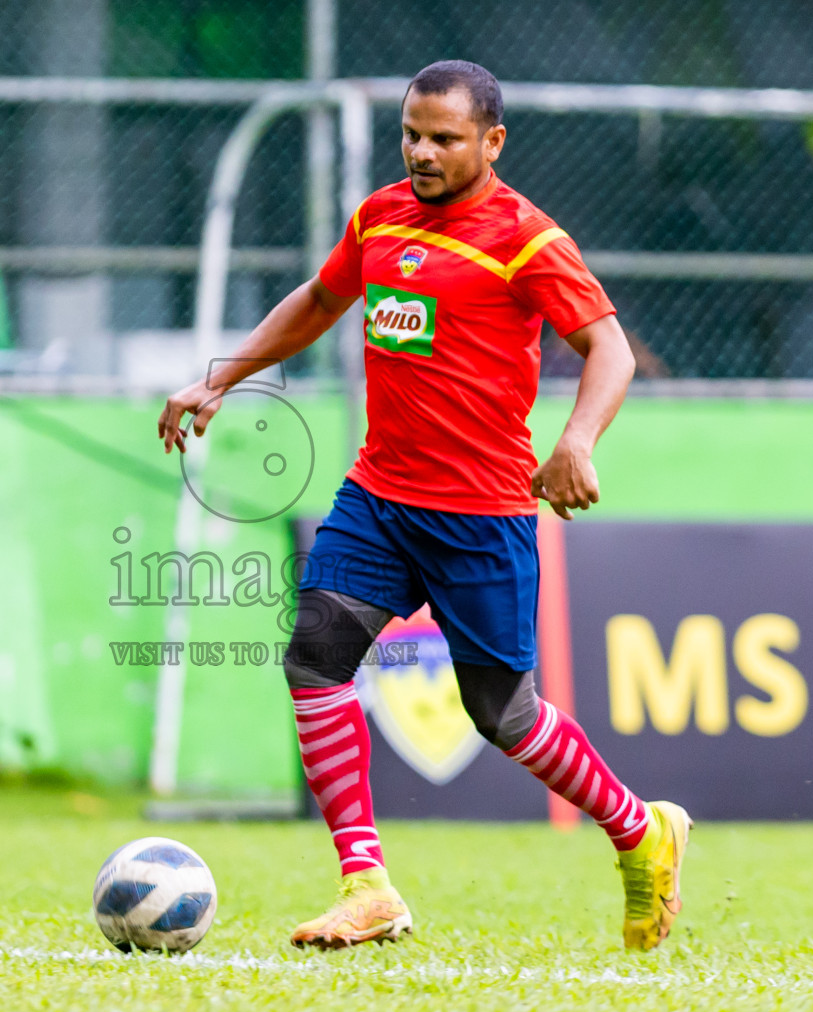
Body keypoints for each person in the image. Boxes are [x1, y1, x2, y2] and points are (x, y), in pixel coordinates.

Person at [159, 60, 691, 951]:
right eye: (412, 133)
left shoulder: (527, 237)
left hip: (480, 513)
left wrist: (577, 442)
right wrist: (223, 377)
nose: (423, 152)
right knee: (315, 658)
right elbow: (324, 298)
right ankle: (367, 885)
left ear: (492, 141)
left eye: (444, 138)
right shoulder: (379, 216)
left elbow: (609, 349)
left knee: (502, 715)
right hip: (379, 495)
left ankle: (641, 828)